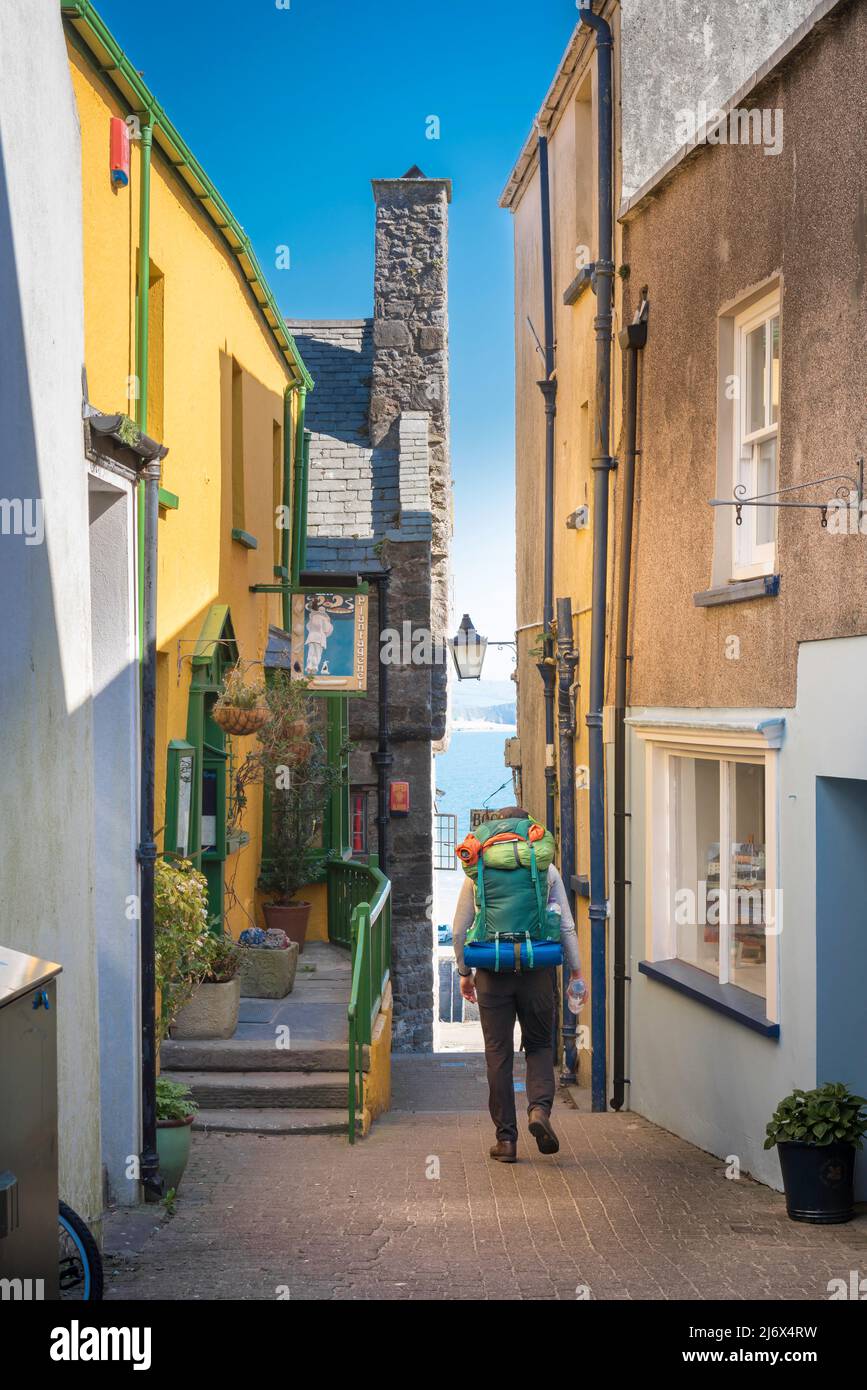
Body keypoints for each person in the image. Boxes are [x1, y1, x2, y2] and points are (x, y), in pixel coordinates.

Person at [453, 807, 585, 1163]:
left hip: (492, 972)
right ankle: (539, 1111)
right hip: (536, 969)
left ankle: (506, 1141)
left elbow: (459, 929)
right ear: (530, 833)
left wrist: (465, 972)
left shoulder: (477, 870)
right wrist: (576, 973)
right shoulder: (545, 868)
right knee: (540, 1045)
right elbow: (566, 926)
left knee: (498, 1054)